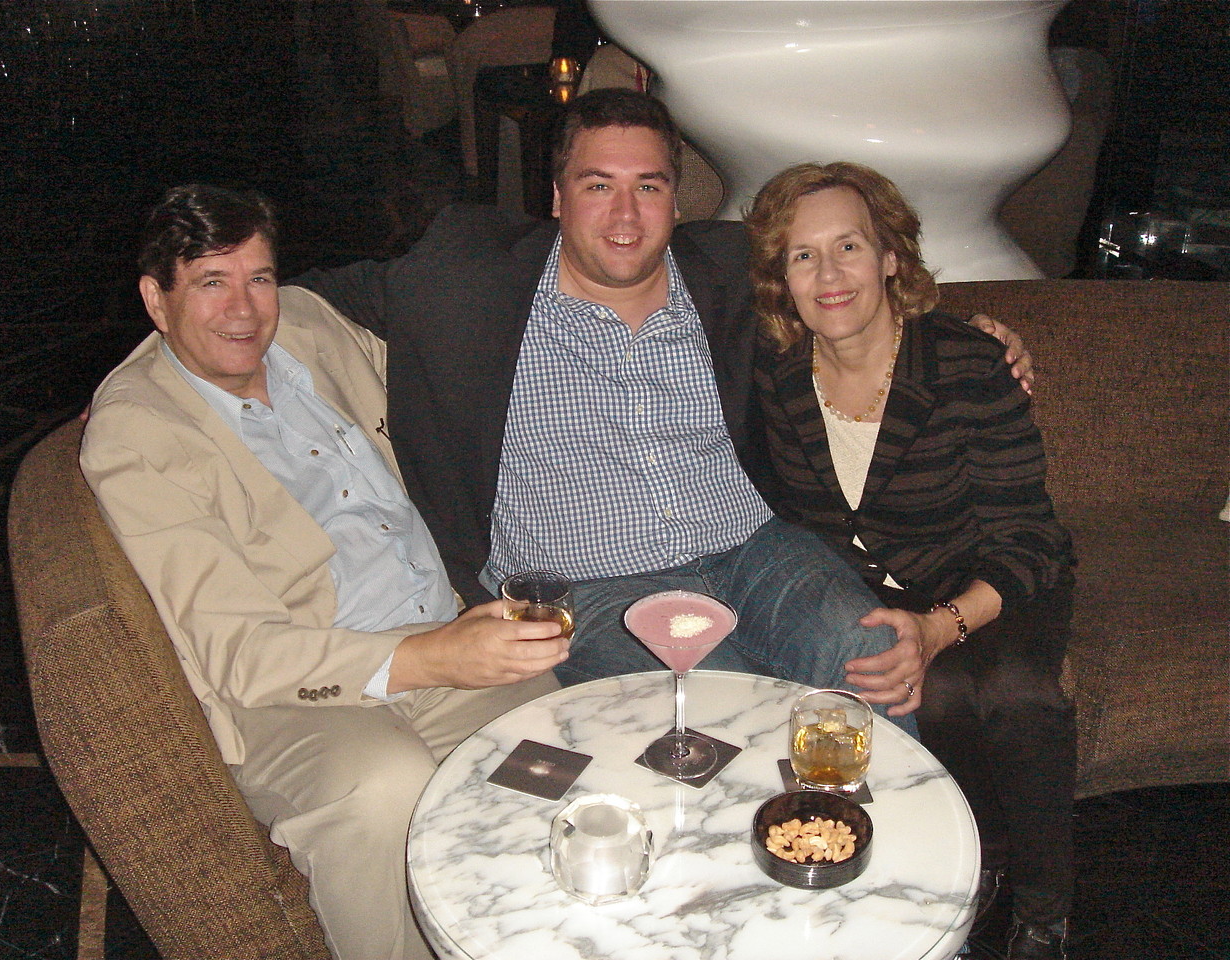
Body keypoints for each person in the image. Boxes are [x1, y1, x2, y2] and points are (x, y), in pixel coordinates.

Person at [292, 88, 1031, 726]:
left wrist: (964, 332)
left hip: (753, 550)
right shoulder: (467, 279)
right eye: (597, 185)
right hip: (591, 588)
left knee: (873, 656)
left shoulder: (730, 271)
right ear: (555, 197)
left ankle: (892, 870)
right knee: (722, 713)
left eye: (648, 186)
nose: (625, 214)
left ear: (678, 201)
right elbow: (303, 294)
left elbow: (850, 284)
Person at [80, 185, 567, 960]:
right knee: (382, 788)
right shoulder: (137, 435)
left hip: (435, 627)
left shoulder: (306, 326)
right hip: (294, 694)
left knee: (552, 755)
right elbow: (243, 654)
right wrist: (428, 659)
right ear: (156, 299)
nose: (245, 310)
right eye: (211, 282)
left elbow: (439, 372)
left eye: (260, 278)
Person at [744, 161, 1076, 960]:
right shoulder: (774, 375)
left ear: (891, 257)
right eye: (802, 255)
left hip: (996, 578)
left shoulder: (966, 363)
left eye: (849, 246)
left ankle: (1044, 912)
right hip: (878, 593)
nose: (829, 274)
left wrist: (941, 624)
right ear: (780, 279)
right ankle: (983, 859)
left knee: (1013, 690)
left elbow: (1028, 536)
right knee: (936, 694)